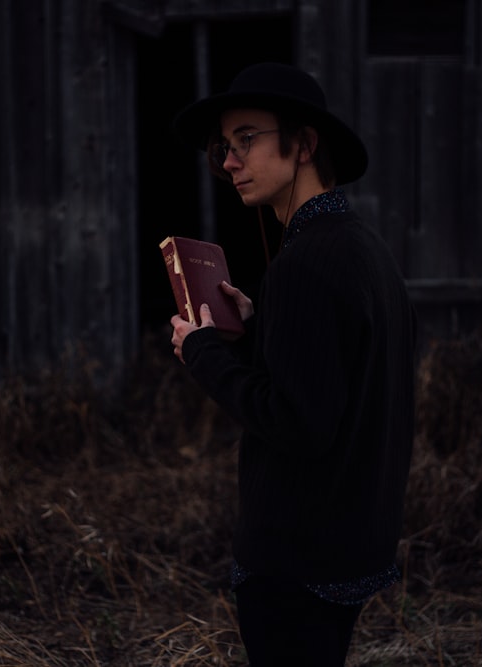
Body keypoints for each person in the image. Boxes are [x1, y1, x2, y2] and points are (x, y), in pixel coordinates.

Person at [169, 62, 415, 666]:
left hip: (297, 564)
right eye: (225, 147)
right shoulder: (363, 248)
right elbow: (336, 379)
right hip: (351, 550)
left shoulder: (305, 264)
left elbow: (299, 421)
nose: (229, 161)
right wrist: (258, 329)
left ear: (303, 143)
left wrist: (200, 352)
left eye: (246, 139)